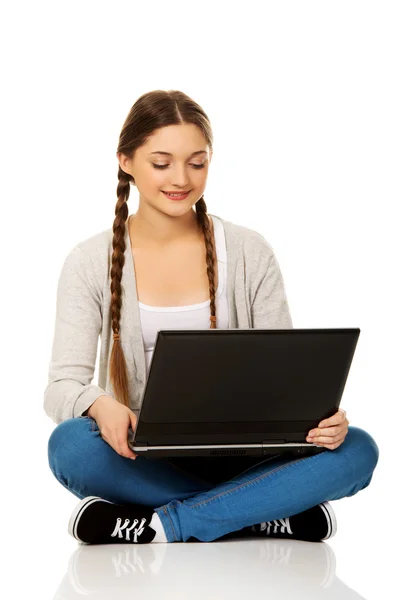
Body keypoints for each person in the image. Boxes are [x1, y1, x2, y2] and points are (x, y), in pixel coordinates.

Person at [45, 89, 379, 545]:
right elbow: (62, 385)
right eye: (161, 163)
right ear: (125, 161)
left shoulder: (248, 251)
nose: (181, 178)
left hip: (250, 453)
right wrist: (99, 405)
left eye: (197, 162)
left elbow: (284, 375)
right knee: (70, 447)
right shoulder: (89, 261)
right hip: (148, 453)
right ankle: (264, 511)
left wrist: (321, 422)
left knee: (357, 449)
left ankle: (168, 524)